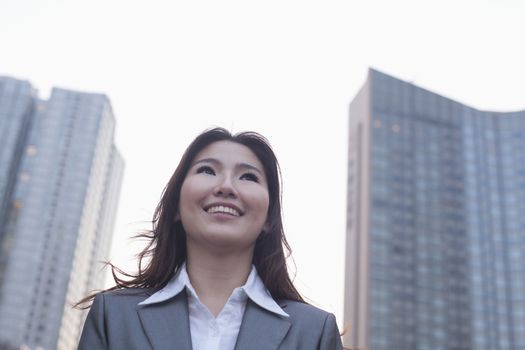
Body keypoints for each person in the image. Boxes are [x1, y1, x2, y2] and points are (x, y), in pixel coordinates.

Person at [77, 127, 343, 350]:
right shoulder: (113, 316)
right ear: (176, 208)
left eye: (248, 176)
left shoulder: (314, 332)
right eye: (207, 170)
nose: (226, 187)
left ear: (269, 220)